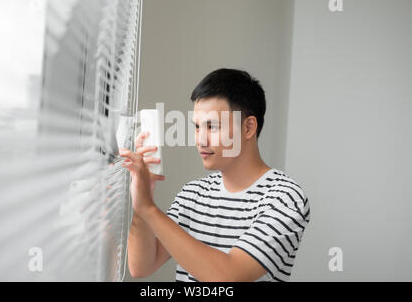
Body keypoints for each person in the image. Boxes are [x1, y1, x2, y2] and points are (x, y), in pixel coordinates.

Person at [119, 68, 310, 282]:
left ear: (248, 127)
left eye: (212, 127)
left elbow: (230, 276)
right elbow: (141, 266)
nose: (201, 140)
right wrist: (143, 200)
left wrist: (149, 208)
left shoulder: (284, 197)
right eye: (198, 127)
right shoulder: (193, 193)